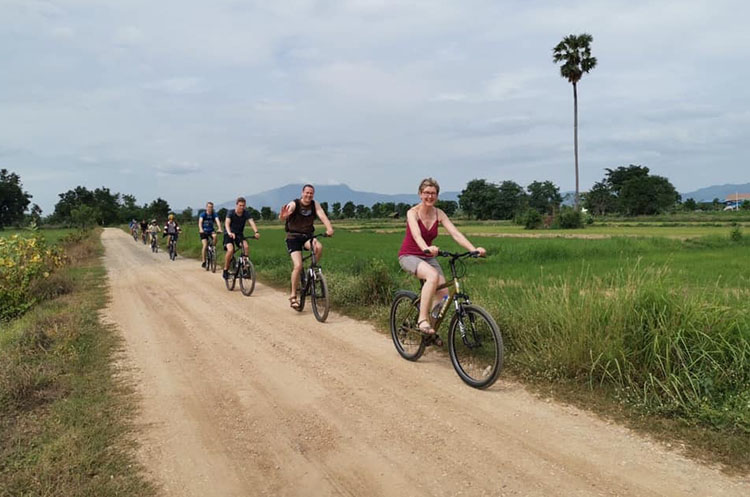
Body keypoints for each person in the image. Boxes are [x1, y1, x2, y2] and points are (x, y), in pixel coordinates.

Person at [398, 178, 486, 337]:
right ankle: (422, 320)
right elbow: (417, 236)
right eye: (426, 193)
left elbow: (455, 234)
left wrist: (474, 249)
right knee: (431, 276)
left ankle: (429, 331)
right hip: (409, 255)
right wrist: (426, 248)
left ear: (437, 196)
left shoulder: (439, 214)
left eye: (433, 193)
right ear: (420, 194)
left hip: (428, 257)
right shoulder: (412, 213)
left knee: (444, 295)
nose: (429, 196)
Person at [279, 184, 334, 309]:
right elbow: (284, 215)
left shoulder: (315, 204)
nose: (309, 195)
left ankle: (311, 270)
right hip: (293, 238)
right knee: (298, 266)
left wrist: (329, 228)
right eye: (307, 193)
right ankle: (293, 296)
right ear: (302, 193)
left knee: (318, 247)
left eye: (311, 193)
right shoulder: (295, 204)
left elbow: (322, 215)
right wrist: (283, 216)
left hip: (307, 236)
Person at [223, 197, 260, 279]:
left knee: (246, 247)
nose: (242, 207)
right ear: (236, 205)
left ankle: (245, 269)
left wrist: (256, 232)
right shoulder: (231, 213)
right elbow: (227, 224)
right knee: (230, 250)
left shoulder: (246, 213)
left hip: (239, 234)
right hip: (228, 234)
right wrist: (229, 233)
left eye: (243, 205)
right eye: (240, 205)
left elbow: (251, 222)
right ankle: (225, 270)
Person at [198, 202, 223, 268]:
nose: (210, 208)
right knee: (205, 245)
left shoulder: (214, 214)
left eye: (211, 207)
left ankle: (213, 248)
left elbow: (217, 221)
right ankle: (204, 261)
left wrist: (219, 228)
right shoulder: (203, 214)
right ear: (206, 207)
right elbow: (200, 222)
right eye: (209, 207)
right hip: (203, 231)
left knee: (215, 236)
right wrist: (201, 229)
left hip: (211, 230)